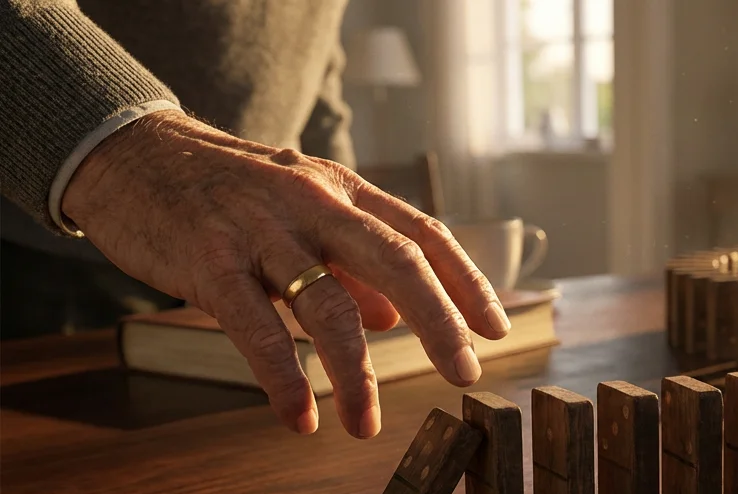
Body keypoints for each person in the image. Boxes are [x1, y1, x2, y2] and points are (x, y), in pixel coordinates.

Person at [0, 0, 507, 441]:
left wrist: (339, 226)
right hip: (59, 253)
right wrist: (128, 155)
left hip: (258, 269)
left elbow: (316, 69)